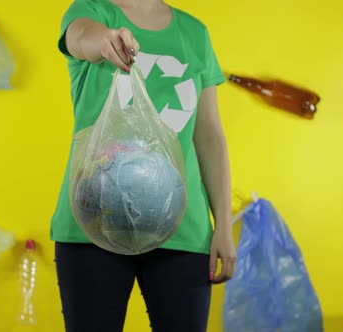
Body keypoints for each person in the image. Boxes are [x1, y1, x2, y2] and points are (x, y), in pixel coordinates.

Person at [51, 0, 236, 331]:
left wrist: (222, 223)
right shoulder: (92, 11)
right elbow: (81, 36)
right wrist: (106, 39)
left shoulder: (194, 33)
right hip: (94, 223)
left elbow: (208, 136)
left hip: (183, 229)